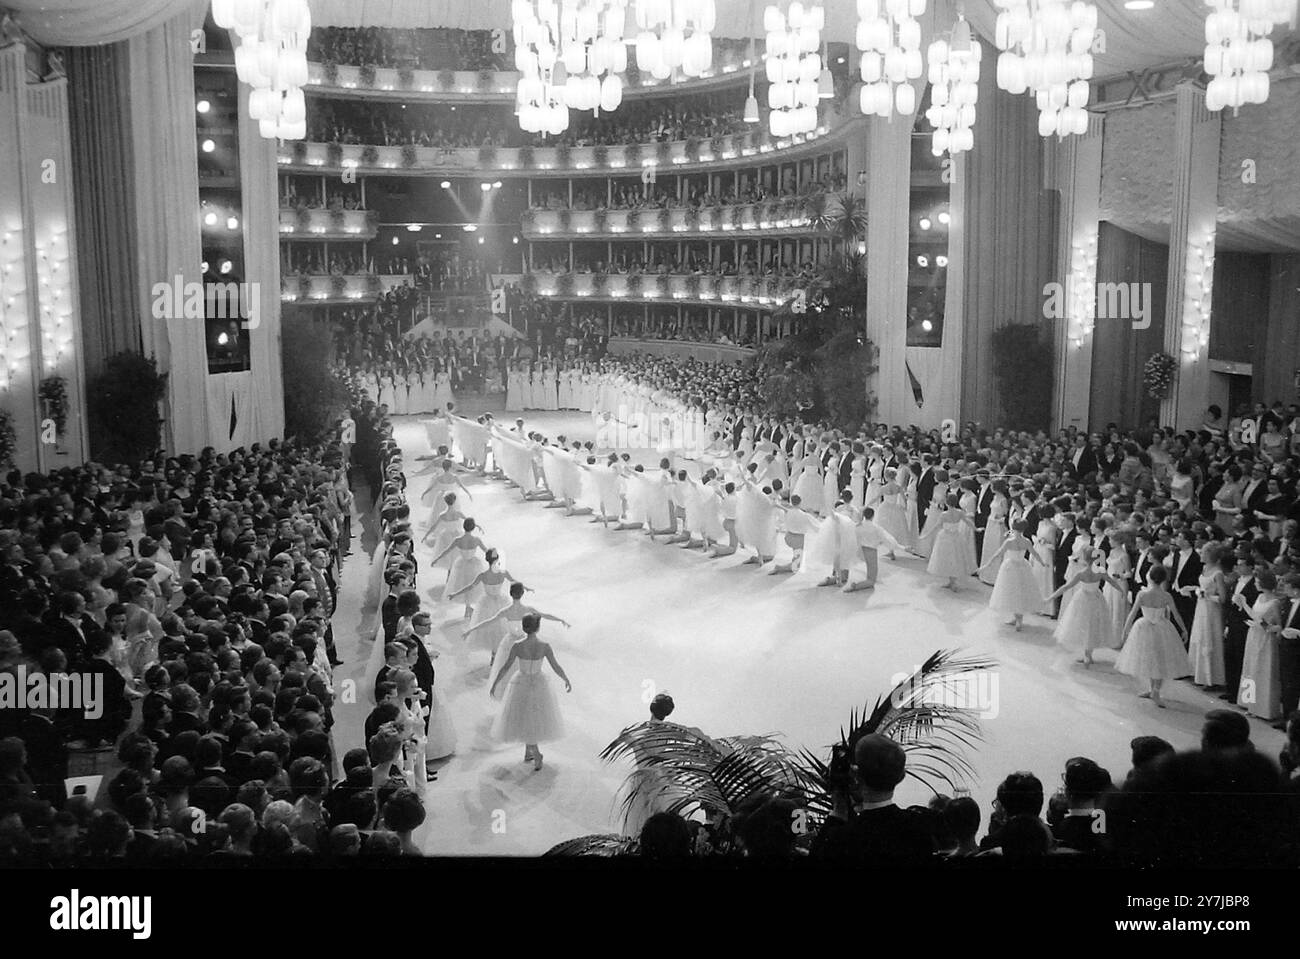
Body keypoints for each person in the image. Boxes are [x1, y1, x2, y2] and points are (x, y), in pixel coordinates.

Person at [812, 733, 932, 861]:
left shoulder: (842, 838)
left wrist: (838, 812)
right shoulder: (919, 826)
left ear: (855, 775)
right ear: (901, 776)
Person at [488, 614, 571, 771]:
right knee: (532, 716)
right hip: (539, 682)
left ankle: (536, 753)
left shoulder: (518, 646)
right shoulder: (545, 646)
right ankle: (529, 751)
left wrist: (495, 683)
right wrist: (565, 678)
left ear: (524, 627)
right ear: (537, 627)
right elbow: (555, 666)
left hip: (521, 682)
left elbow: (506, 666)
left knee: (523, 715)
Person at [1114, 566, 1191, 707]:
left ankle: (1155, 691)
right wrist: (1184, 629)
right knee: (1159, 659)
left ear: (1150, 577)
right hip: (1162, 627)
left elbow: (1132, 613)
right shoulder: (1166, 596)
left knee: (1151, 658)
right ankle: (1153, 689)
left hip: (1145, 626)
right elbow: (1176, 614)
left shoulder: (1143, 595)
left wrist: (1125, 630)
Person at [1044, 548, 1125, 666]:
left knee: (1084, 625)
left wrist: (1050, 598)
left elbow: (1066, 587)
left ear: (1084, 558)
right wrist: (1121, 590)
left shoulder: (1081, 573)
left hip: (1083, 599)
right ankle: (1088, 655)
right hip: (1097, 599)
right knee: (1093, 625)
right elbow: (1111, 581)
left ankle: (1087, 655)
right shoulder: (1101, 571)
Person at [978, 520, 1046, 631]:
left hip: (1010, 567)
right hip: (1023, 566)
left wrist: (985, 566)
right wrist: (1042, 562)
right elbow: (1035, 553)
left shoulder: (1009, 542)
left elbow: (997, 554)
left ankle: (1017, 619)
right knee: (1021, 592)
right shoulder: (1027, 541)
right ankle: (1018, 619)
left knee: (1012, 592)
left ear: (1013, 528)